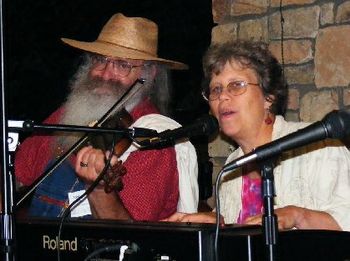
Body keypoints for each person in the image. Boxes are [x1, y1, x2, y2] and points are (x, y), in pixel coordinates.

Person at [13, 13, 199, 221]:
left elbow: (129, 241)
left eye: (122, 65)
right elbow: (18, 173)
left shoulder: (154, 139)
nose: (106, 74)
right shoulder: (68, 114)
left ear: (148, 74)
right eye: (100, 60)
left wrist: (99, 189)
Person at [163, 40, 350, 231]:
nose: (223, 97)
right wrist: (218, 222)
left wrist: (297, 216)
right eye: (216, 89)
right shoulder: (233, 163)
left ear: (268, 97)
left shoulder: (320, 146)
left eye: (236, 85)